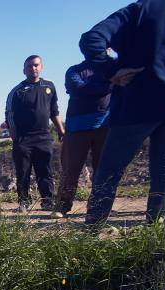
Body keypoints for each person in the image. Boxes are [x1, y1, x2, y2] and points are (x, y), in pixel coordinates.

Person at [83, 0, 165, 225]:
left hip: (136, 102)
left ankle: (93, 228)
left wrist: (111, 69)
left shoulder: (138, 10)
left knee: (110, 169)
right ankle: (157, 233)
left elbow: (91, 39)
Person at [50, 58, 112, 218]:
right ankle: (62, 206)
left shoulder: (113, 66)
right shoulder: (74, 70)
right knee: (70, 169)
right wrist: (110, 84)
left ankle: (98, 207)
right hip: (77, 127)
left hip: (106, 125)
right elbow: (78, 88)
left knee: (103, 170)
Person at [5, 55, 66, 212]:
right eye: (30, 66)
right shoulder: (17, 91)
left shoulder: (49, 86)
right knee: (23, 172)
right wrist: (15, 138)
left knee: (45, 171)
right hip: (23, 139)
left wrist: (61, 130)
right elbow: (9, 114)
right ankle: (23, 203)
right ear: (24, 70)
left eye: (36, 65)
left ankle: (47, 201)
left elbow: (54, 111)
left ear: (41, 67)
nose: (33, 68)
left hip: (44, 137)